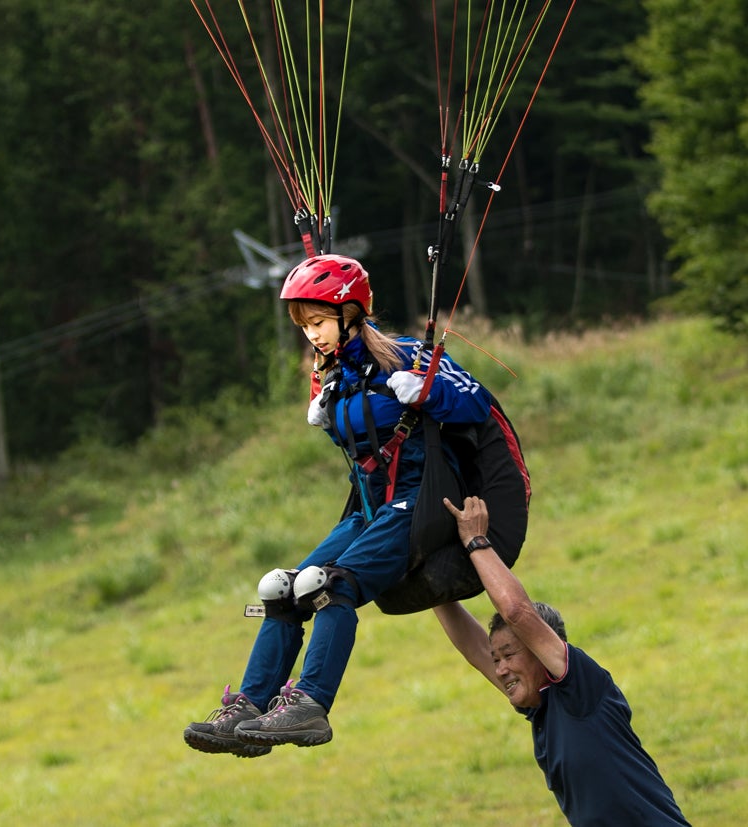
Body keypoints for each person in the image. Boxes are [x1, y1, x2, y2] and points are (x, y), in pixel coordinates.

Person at [184, 253, 495, 758]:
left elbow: (477, 401)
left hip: (419, 501)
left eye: (320, 322)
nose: (314, 335)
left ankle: (309, 703)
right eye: (305, 326)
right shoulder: (332, 375)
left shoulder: (408, 355)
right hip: (370, 509)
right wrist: (325, 404)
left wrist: (427, 392)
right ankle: (249, 705)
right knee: (282, 590)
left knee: (328, 584)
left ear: (352, 312)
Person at [435, 495, 690, 826]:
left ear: (542, 650)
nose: (500, 669)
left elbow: (516, 612)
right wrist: (426, 580)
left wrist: (475, 541)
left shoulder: (581, 687)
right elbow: (474, 649)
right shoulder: (541, 708)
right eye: (497, 658)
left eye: (509, 655)